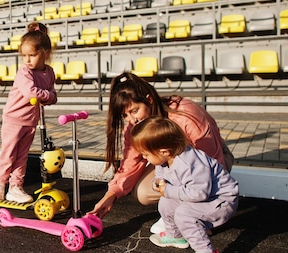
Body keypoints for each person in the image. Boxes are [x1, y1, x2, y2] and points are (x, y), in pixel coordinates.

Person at [89, 72, 233, 233]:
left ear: (149, 100)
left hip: (208, 161)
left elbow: (210, 159)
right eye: (125, 115)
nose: (131, 120)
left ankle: (197, 215)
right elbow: (130, 164)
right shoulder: (133, 127)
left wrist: (211, 207)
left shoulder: (184, 114)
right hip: (174, 162)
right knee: (143, 192)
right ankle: (174, 211)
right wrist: (111, 195)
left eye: (134, 110)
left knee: (197, 193)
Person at [130, 116, 239, 253]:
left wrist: (168, 190)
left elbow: (200, 193)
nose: (145, 158)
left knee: (184, 214)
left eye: (146, 155)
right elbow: (161, 174)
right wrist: (158, 182)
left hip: (221, 200)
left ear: (164, 151)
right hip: (203, 196)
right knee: (165, 203)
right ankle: (176, 235)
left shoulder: (190, 163)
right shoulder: (164, 159)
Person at [0, 22, 58, 202]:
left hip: (30, 121)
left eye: (32, 55)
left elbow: (53, 95)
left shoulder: (49, 72)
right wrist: (47, 96)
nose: (27, 60)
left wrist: (47, 96)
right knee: (9, 153)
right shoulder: (24, 72)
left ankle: (16, 187)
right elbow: (31, 93)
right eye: (24, 55)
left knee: (22, 156)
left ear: (45, 53)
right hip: (14, 119)